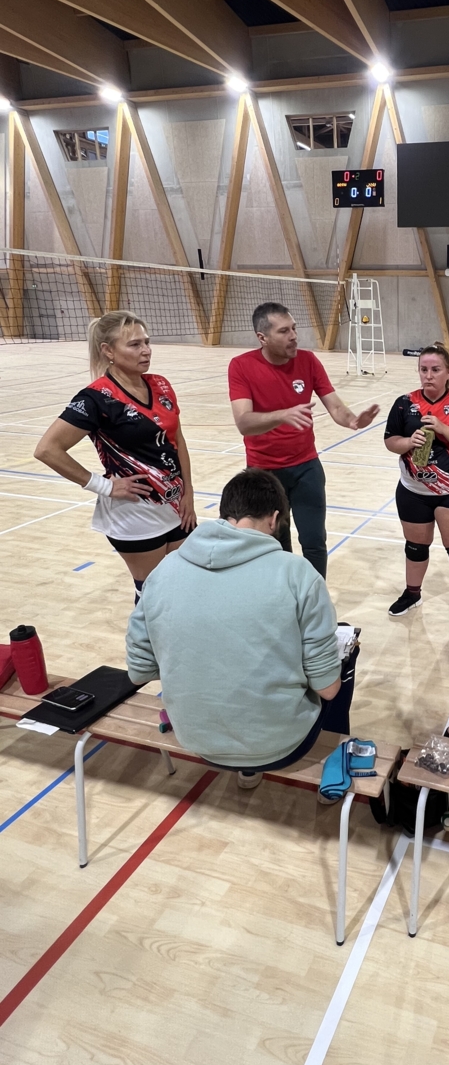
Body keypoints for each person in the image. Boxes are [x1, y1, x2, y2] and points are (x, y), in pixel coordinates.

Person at [126, 468, 342, 789]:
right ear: (274, 519)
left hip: (195, 738)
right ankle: (335, 772)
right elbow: (328, 688)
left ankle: (248, 771)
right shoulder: (298, 573)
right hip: (282, 744)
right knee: (344, 662)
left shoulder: (163, 571)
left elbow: (139, 672)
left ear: (225, 514)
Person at [34, 312, 196, 604]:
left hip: (176, 505)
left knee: (184, 583)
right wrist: (105, 486)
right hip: (134, 512)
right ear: (108, 351)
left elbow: (177, 440)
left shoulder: (160, 384)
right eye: (134, 345)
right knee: (153, 593)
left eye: (147, 342)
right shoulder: (96, 399)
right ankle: (145, 637)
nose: (146, 350)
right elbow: (47, 449)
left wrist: (189, 492)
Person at [228, 302, 379, 579]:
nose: (294, 336)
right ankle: (284, 596)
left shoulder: (308, 361)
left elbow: (335, 406)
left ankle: (315, 596)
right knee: (275, 544)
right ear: (262, 337)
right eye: (284, 331)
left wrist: (352, 420)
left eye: (294, 328)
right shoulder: (241, 366)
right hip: (264, 474)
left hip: (305, 468)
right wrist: (282, 415)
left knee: (314, 541)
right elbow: (244, 422)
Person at [384, 343, 449, 631]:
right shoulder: (404, 403)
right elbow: (390, 441)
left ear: (448, 372)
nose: (428, 375)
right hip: (413, 491)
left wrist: (442, 428)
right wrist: (408, 442)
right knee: (415, 547)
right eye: (423, 369)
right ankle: (412, 593)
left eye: (435, 370)